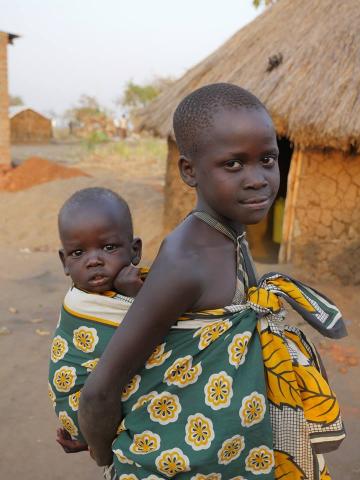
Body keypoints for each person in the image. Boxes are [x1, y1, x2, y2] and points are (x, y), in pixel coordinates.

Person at [78, 84, 346, 479]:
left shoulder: (230, 235)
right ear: (189, 171)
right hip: (178, 461)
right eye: (234, 164)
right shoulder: (189, 259)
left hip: (235, 451)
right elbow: (101, 388)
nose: (257, 179)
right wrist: (105, 456)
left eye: (268, 159)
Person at [48, 187, 144, 455]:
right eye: (78, 253)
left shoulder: (128, 288)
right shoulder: (80, 305)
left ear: (135, 249)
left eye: (109, 247)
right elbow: (155, 338)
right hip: (87, 411)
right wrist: (136, 299)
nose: (94, 261)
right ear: (64, 261)